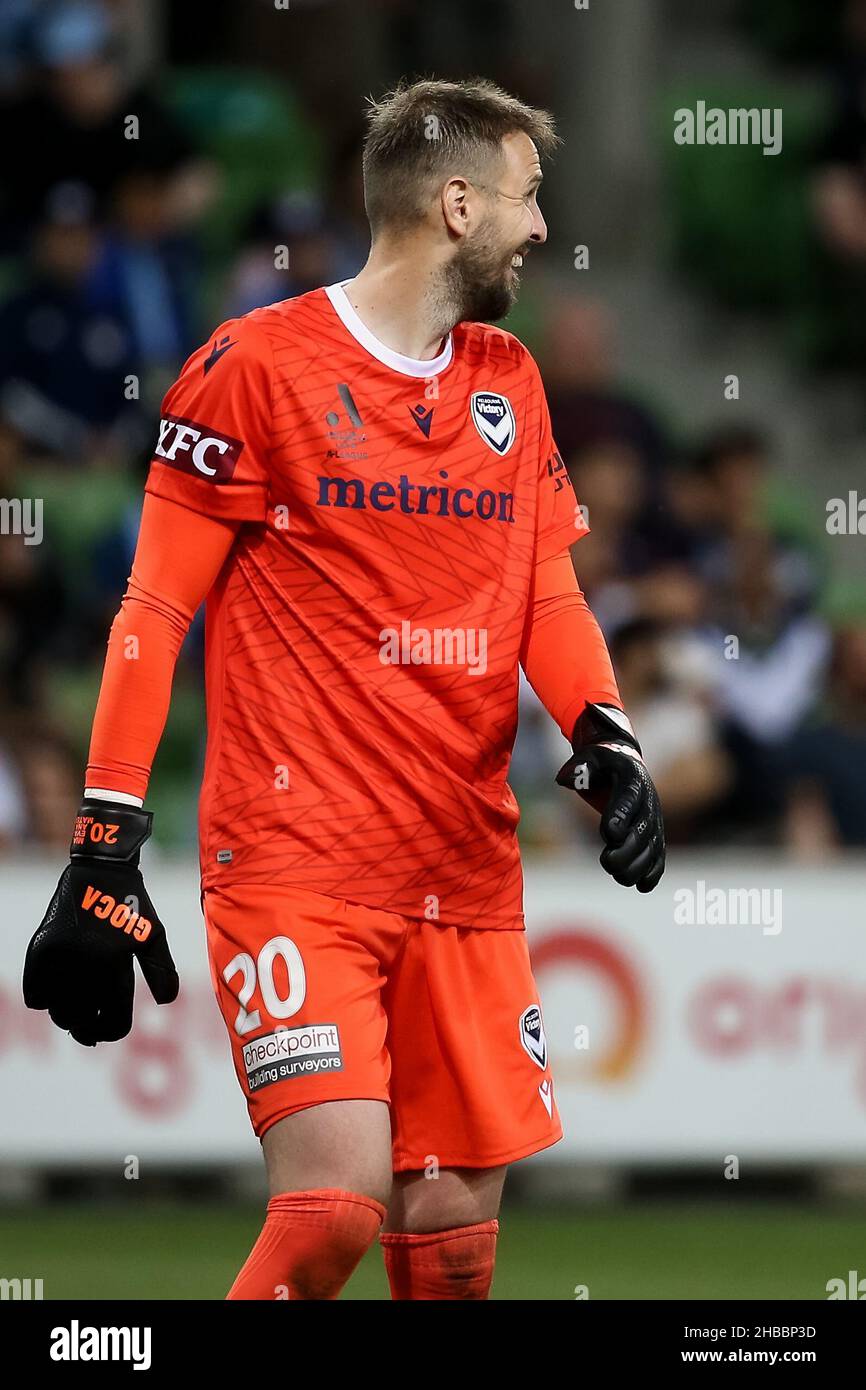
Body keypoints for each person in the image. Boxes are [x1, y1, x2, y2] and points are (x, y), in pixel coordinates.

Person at [23, 78, 665, 1301]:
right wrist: (104, 842)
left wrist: (605, 730)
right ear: (458, 203)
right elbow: (153, 613)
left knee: (449, 1243)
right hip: (297, 862)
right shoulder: (250, 369)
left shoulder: (508, 380)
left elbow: (547, 593)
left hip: (464, 871)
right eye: (527, 200)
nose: (540, 230)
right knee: (329, 1212)